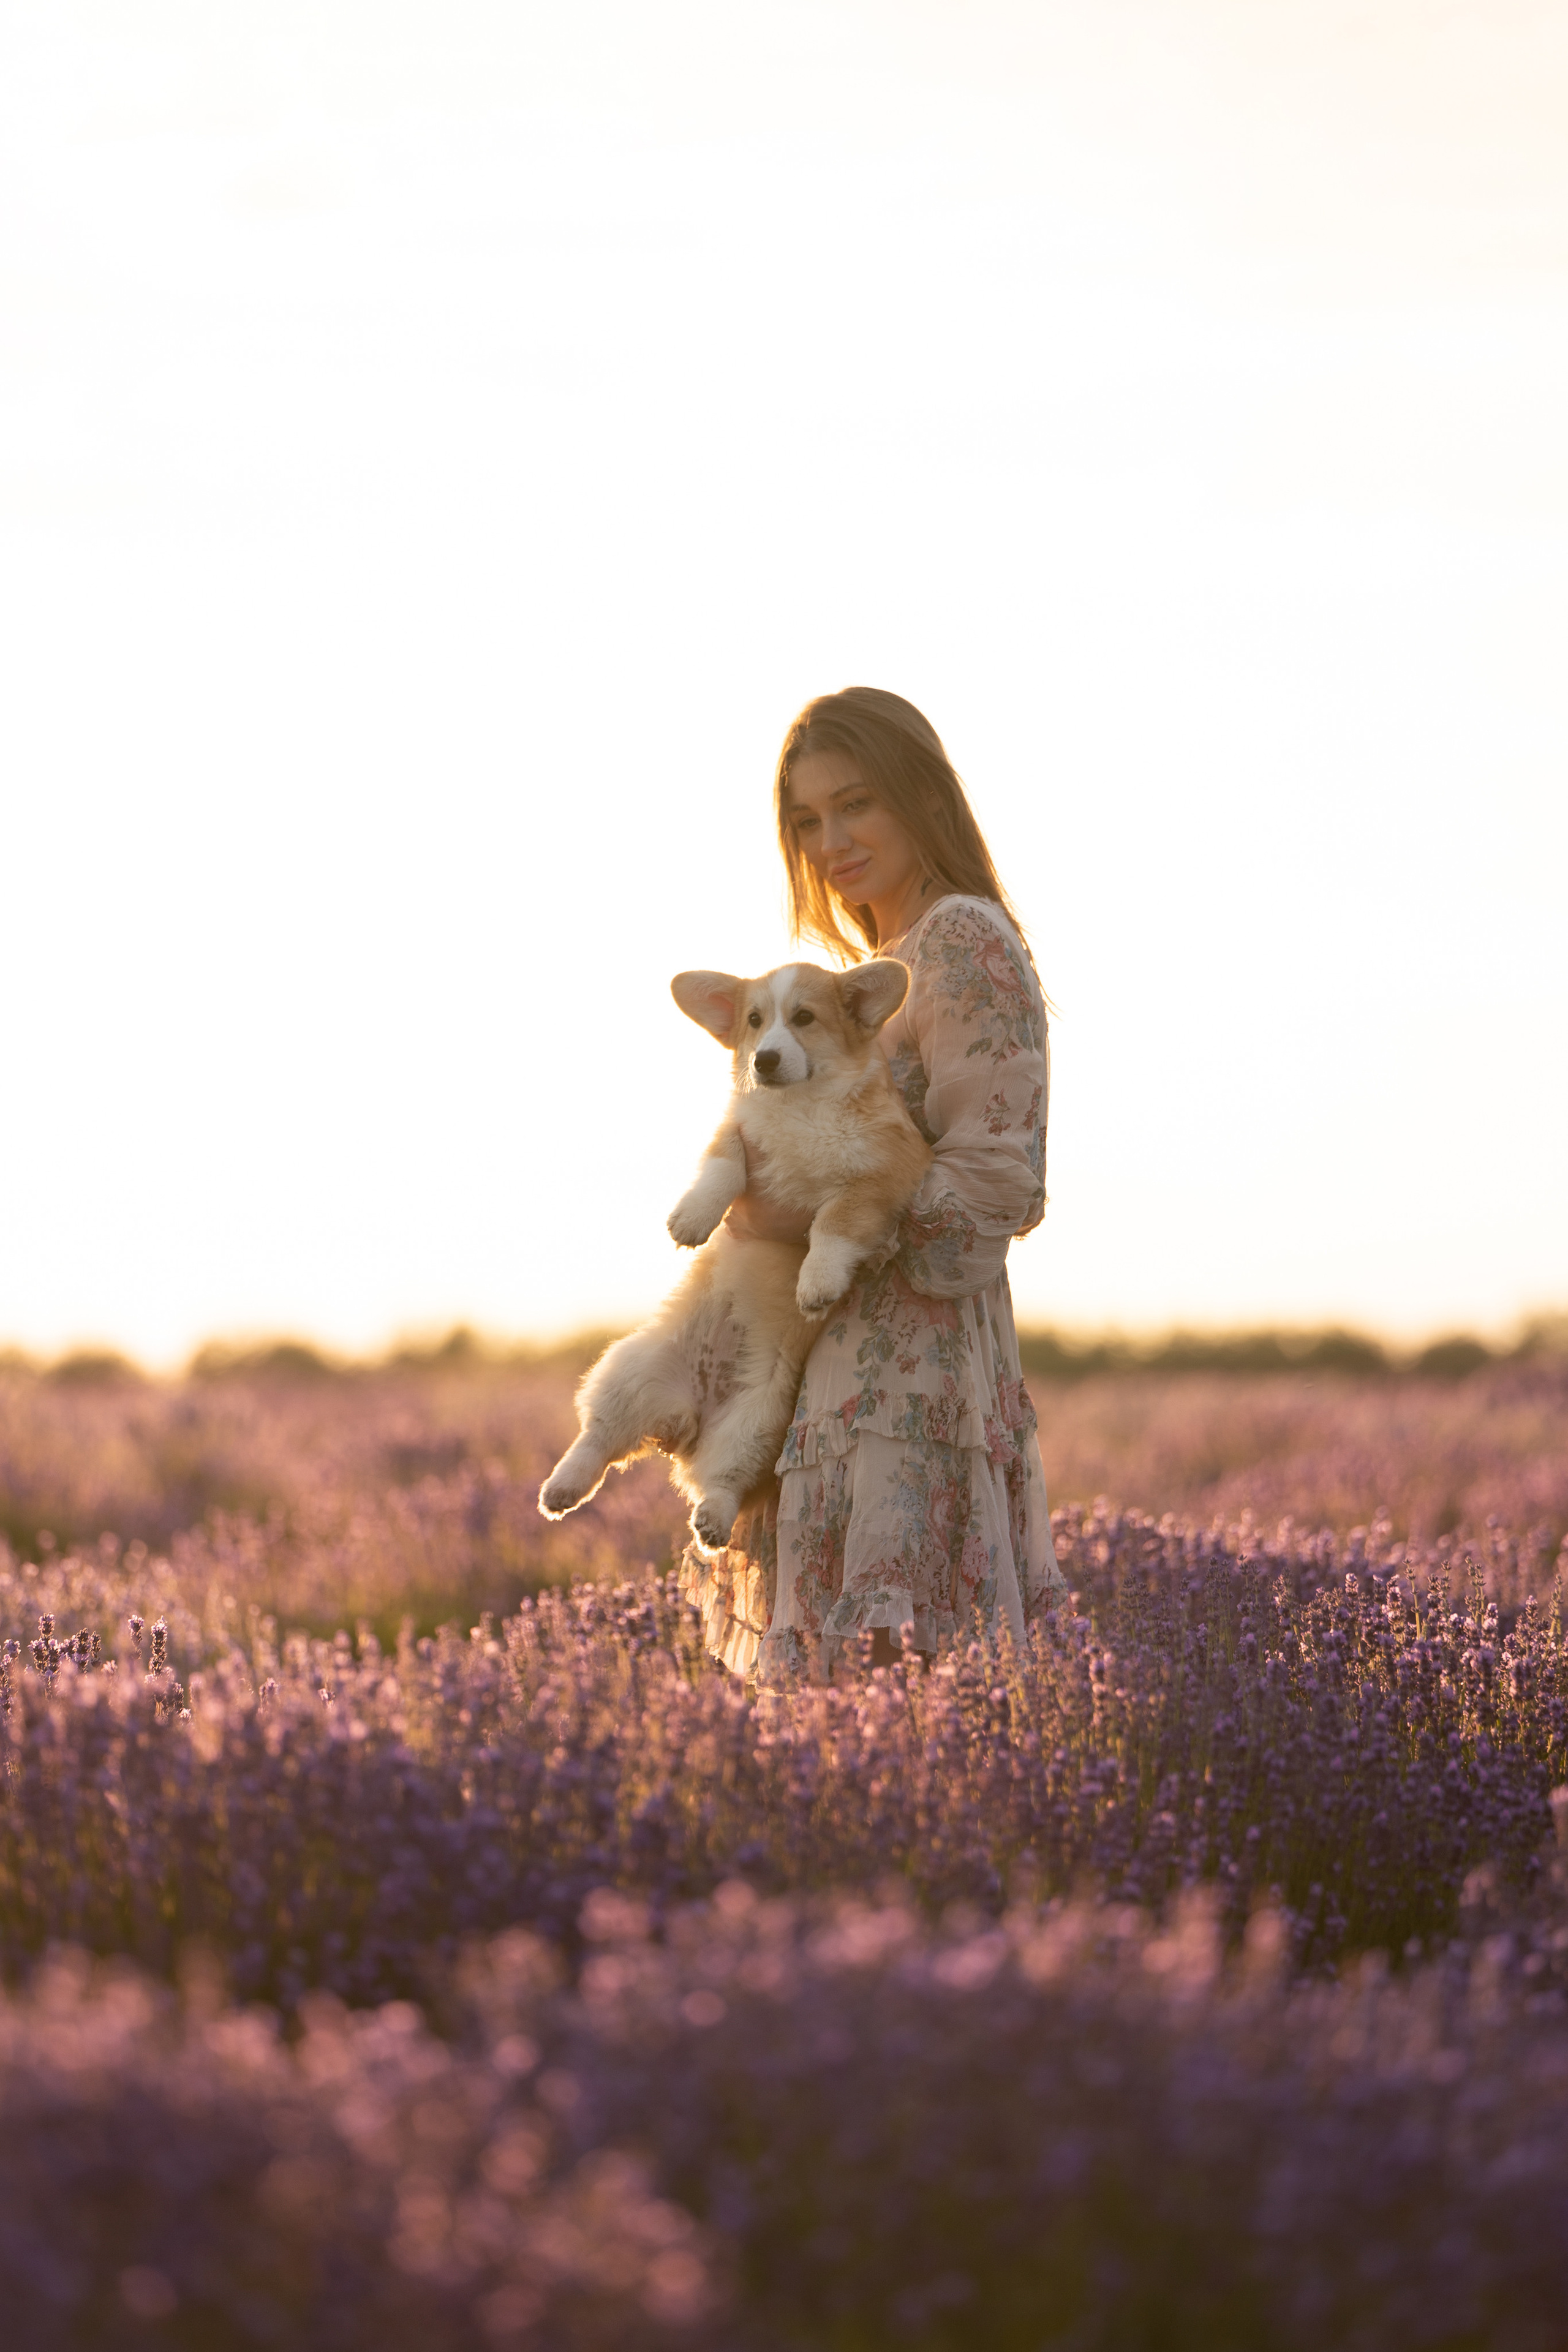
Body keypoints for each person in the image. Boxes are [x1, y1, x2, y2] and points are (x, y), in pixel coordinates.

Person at [681, 687, 1067, 1681]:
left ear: (920, 797)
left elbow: (993, 1191)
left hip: (915, 1393)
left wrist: (795, 1214)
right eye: (807, 821)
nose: (831, 840)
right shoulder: (866, 974)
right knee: (852, 1736)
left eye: (855, 804)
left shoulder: (961, 941)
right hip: (839, 1394)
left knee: (911, 1704)